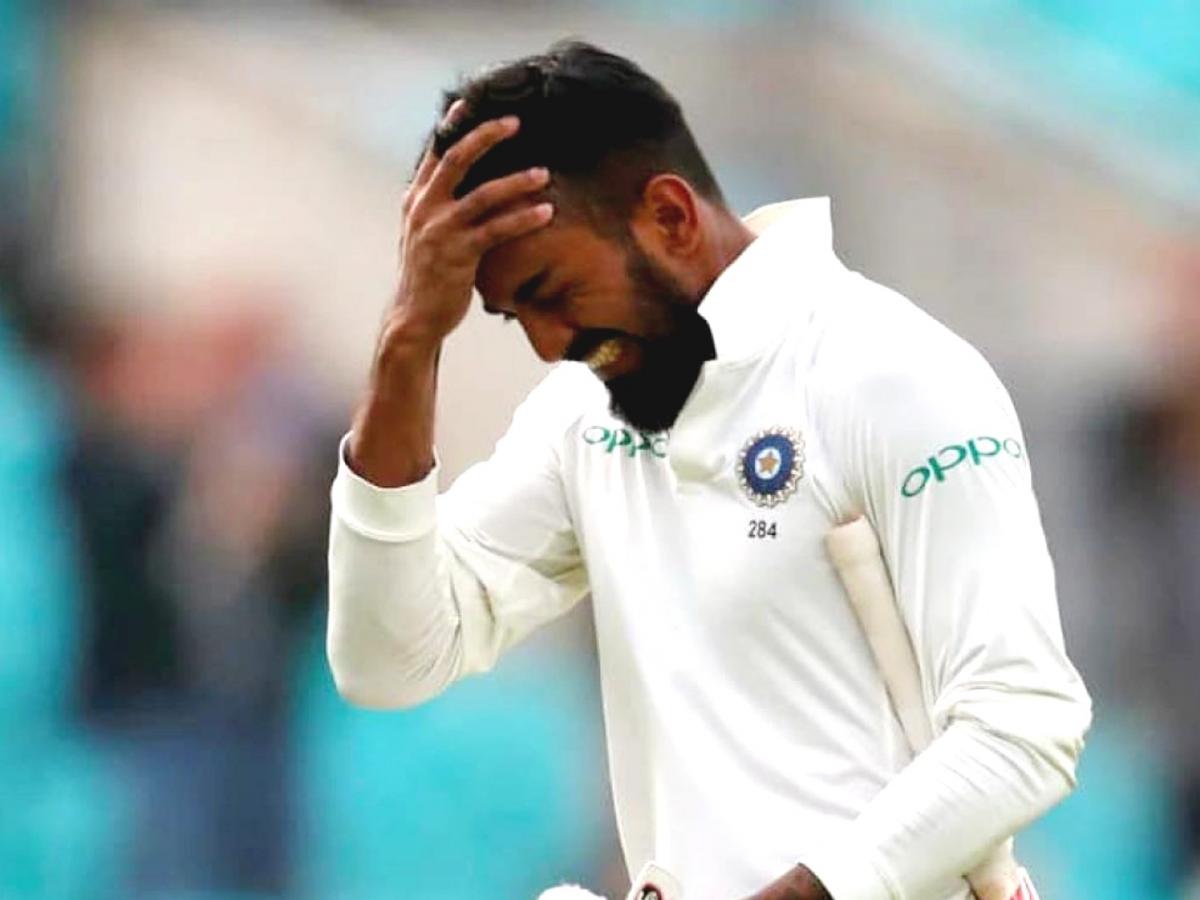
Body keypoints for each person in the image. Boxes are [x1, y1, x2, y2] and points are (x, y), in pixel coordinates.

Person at [327, 41, 1091, 900]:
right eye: (512, 316)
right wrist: (409, 340)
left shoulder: (892, 372)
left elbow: (1023, 728)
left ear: (670, 217)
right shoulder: (583, 412)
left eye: (553, 291)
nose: (547, 344)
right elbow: (389, 659)